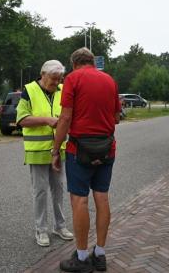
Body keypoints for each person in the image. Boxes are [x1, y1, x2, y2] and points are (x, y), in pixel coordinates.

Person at [51, 48, 121, 272]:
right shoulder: (109, 80)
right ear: (92, 62)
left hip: (79, 149)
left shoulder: (73, 79)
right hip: (107, 148)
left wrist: (55, 150)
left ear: (73, 64)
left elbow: (65, 117)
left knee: (79, 201)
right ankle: (99, 255)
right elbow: (116, 118)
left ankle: (81, 258)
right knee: (102, 198)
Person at [16, 60, 74, 247]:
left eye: (59, 79)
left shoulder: (63, 89)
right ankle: (41, 230)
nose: (56, 83)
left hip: (59, 151)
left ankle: (60, 226)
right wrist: (46, 120)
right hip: (37, 152)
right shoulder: (29, 90)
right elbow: (22, 119)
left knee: (58, 190)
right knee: (40, 192)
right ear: (43, 74)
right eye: (53, 79)